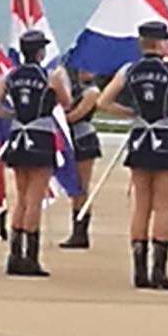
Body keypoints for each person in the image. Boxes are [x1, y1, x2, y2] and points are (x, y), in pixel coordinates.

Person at [93, 18, 168, 290]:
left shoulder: (129, 70)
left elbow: (103, 101)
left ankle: (139, 270)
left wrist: (129, 112)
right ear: (160, 42)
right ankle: (159, 271)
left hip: (140, 136)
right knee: (162, 206)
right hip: (166, 137)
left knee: (141, 205)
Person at [0, 28, 75, 278]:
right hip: (41, 136)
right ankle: (30, 256)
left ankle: (14, 254)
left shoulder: (11, 77)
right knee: (35, 198)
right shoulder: (49, 76)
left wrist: (12, 116)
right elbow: (66, 103)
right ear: (40, 52)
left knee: (22, 197)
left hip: (18, 136)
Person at [58, 73, 102, 249]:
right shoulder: (71, 89)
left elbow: (76, 115)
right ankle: (76, 228)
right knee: (74, 186)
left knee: (82, 187)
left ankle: (80, 231)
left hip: (83, 138)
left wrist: (57, 118)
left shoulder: (92, 92)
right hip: (69, 137)